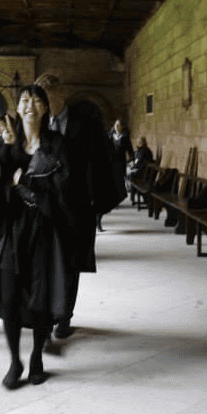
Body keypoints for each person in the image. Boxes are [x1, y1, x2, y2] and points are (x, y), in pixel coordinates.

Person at [0, 85, 71, 389]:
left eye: (36, 100)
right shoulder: (8, 141)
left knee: (40, 298)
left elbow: (64, 189)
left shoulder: (57, 144)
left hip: (44, 231)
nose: (29, 104)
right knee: (8, 297)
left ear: (46, 108)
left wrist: (24, 188)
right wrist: (6, 148)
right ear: (17, 109)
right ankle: (14, 360)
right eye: (23, 100)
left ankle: (35, 357)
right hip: (11, 230)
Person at [34, 73, 122, 338]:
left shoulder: (85, 123)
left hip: (76, 208)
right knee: (46, 263)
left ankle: (65, 317)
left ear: (60, 95)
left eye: (47, 97)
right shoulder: (37, 125)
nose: (43, 103)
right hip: (45, 207)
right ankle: (49, 312)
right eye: (40, 99)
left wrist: (97, 200)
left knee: (70, 264)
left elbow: (103, 161)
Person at [98, 118, 133, 232]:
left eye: (120, 125)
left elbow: (130, 150)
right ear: (113, 126)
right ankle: (99, 218)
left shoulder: (125, 138)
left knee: (120, 189)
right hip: (109, 166)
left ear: (122, 127)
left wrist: (132, 160)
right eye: (116, 125)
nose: (117, 127)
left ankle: (113, 200)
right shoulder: (109, 136)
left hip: (120, 165)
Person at [127, 136, 154, 205]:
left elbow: (140, 163)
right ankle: (134, 196)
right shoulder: (141, 150)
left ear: (144, 142)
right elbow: (136, 160)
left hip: (144, 173)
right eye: (138, 142)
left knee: (131, 175)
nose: (138, 143)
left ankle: (133, 196)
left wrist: (133, 168)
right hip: (142, 171)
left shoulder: (144, 151)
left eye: (140, 142)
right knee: (130, 174)